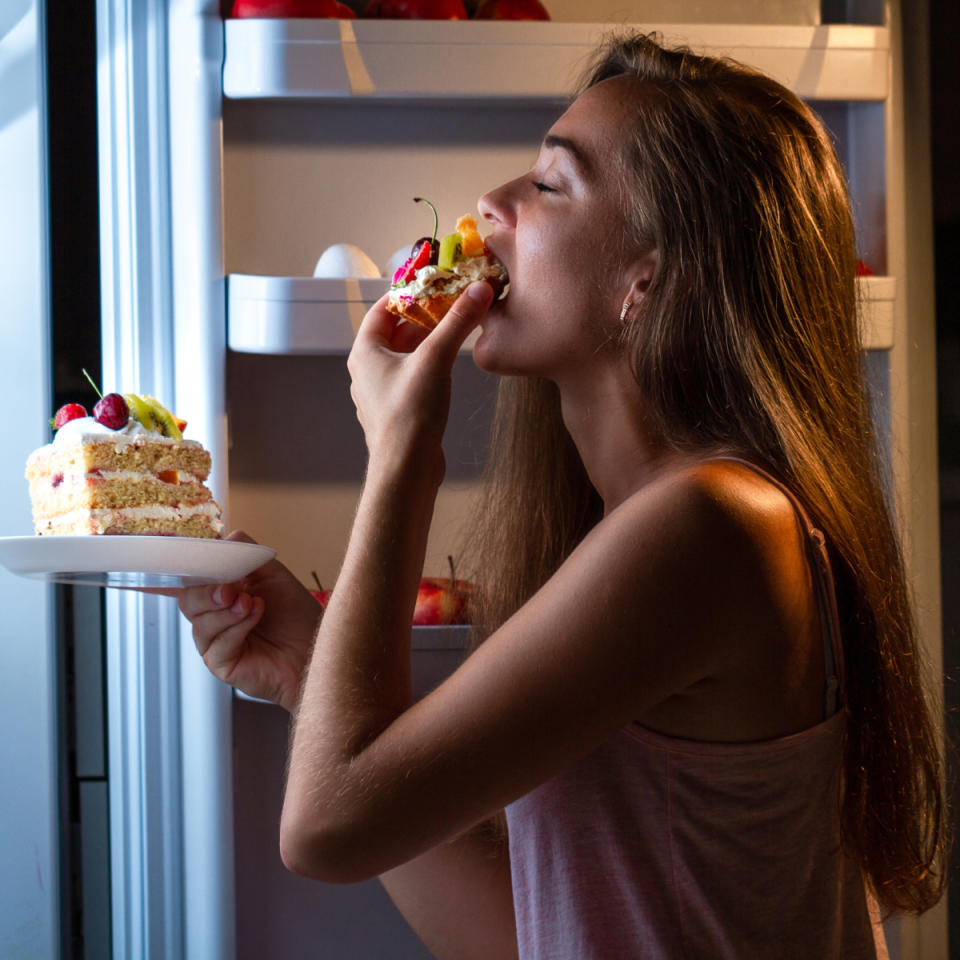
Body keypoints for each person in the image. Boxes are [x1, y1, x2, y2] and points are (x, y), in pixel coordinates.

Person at [176, 32, 946, 959]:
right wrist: (309, 676)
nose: (489, 206)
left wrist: (401, 452)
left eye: (548, 185)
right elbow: (528, 932)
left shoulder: (710, 528)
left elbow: (325, 828)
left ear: (648, 283)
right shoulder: (667, 525)